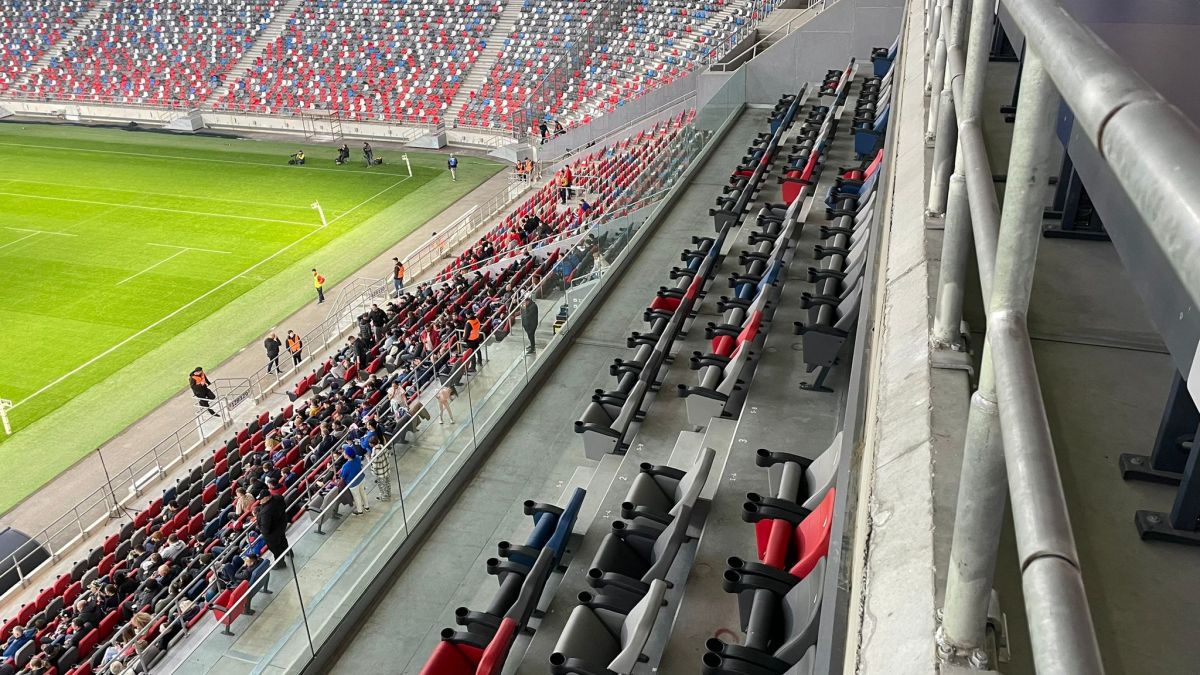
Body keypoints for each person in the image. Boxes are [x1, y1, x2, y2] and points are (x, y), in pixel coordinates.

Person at [253, 487, 290, 569]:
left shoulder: (265, 512)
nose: (260, 501)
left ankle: (280, 564)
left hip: (272, 534)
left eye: (261, 499)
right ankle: (288, 552)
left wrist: (259, 525)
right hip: (281, 525)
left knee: (276, 549)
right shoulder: (278, 497)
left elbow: (265, 530)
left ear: (267, 497)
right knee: (283, 540)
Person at [339, 447, 369, 515]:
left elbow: (343, 476)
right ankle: (367, 507)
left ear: (347, 455)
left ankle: (360, 511)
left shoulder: (345, 466)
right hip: (361, 478)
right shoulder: (357, 457)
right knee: (363, 493)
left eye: (344, 453)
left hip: (353, 484)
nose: (343, 453)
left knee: (357, 497)